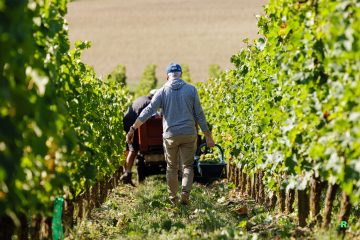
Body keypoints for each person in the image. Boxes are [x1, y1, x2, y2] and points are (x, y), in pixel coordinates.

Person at [126, 63, 215, 205]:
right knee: (187, 166)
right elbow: (199, 115)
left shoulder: (162, 91)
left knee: (172, 167)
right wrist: (208, 136)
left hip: (170, 135)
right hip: (188, 133)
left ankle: (173, 199)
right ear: (181, 75)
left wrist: (133, 128)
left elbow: (148, 111)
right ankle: (185, 193)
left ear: (167, 76)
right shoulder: (191, 90)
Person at [120, 89, 157, 184]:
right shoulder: (149, 103)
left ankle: (126, 172)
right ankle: (127, 174)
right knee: (134, 148)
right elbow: (154, 117)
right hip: (132, 123)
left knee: (129, 146)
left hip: (127, 120)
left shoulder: (142, 99)